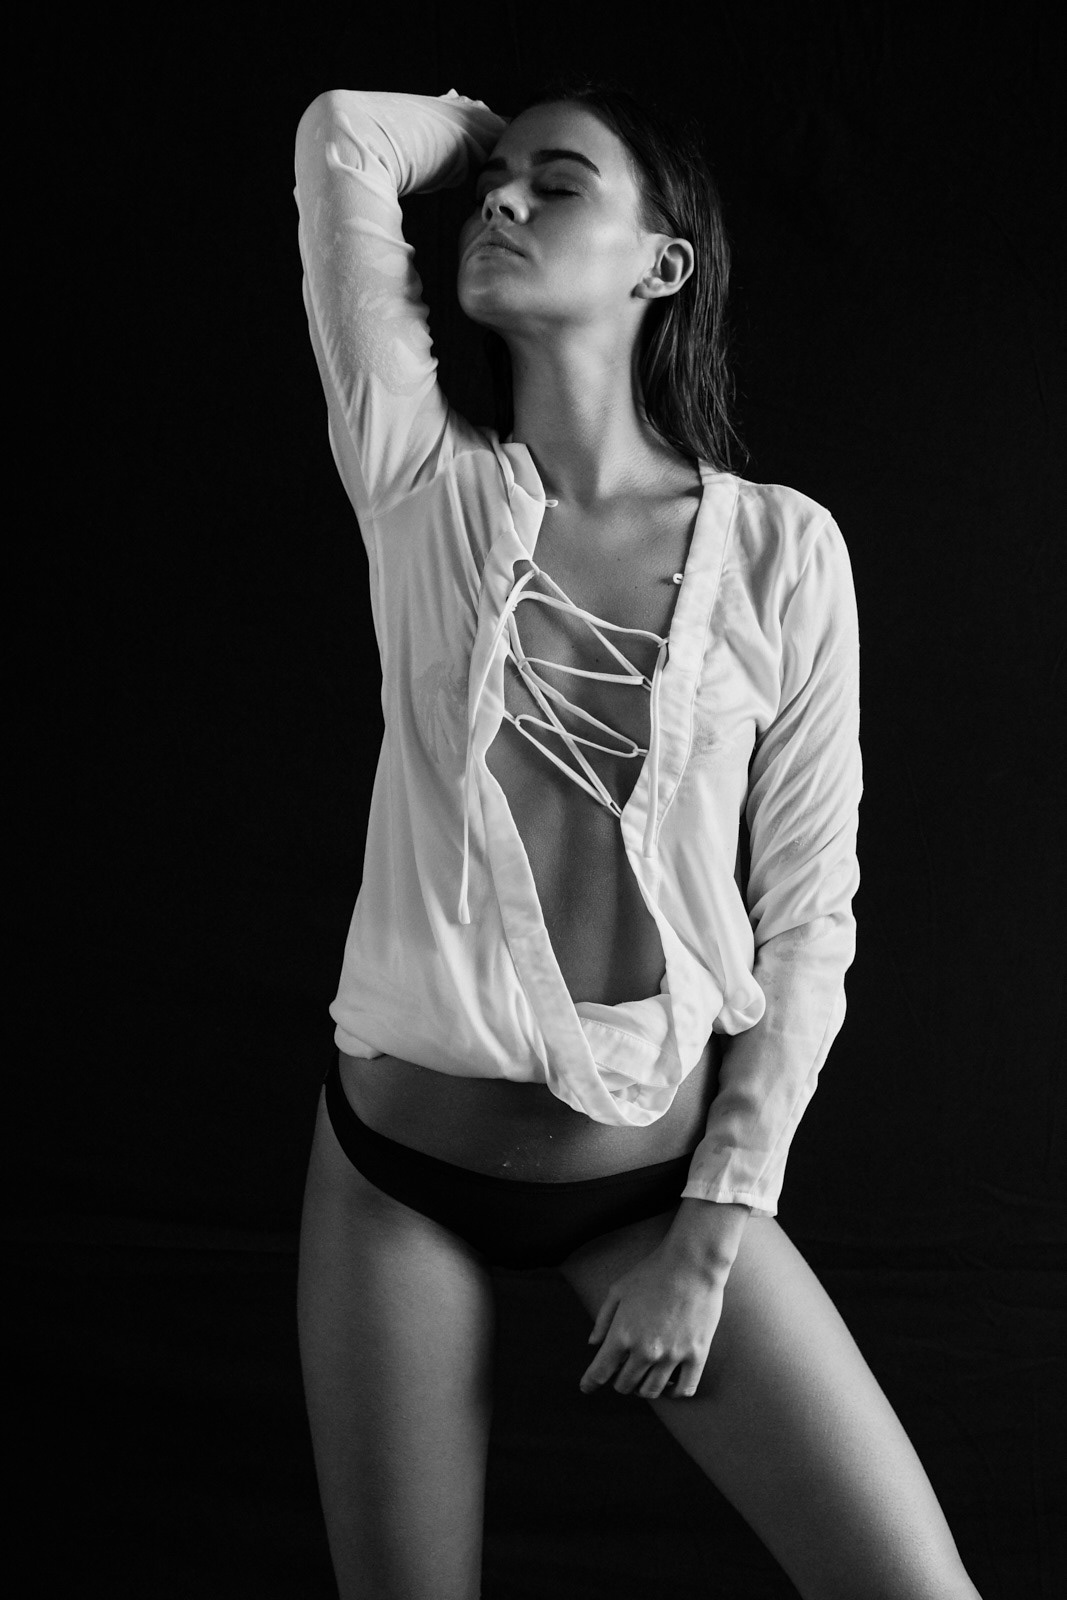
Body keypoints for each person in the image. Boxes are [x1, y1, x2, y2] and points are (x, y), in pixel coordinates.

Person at [293, 74, 982, 1600]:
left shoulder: (784, 551)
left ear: (662, 264)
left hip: (657, 1193)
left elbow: (809, 918)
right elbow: (345, 133)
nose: (503, 200)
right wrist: (487, 138)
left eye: (559, 185)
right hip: (395, 1181)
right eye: (494, 185)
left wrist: (714, 1237)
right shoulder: (420, 486)